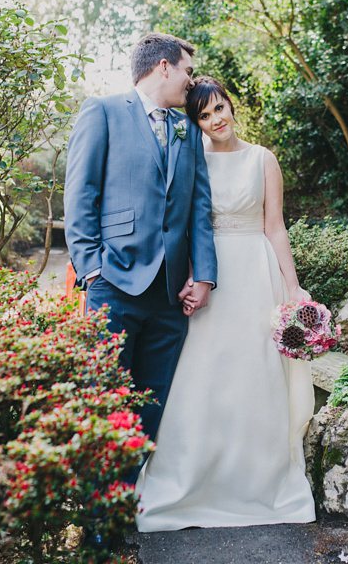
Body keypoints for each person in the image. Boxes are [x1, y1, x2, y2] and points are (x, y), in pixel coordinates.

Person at [135, 76, 316, 532]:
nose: (216, 120)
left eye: (220, 108)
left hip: (257, 273)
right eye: (204, 115)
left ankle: (259, 481)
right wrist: (194, 275)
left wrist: (292, 286)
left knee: (256, 372)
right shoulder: (192, 159)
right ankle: (192, 481)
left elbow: (275, 226)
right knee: (203, 374)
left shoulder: (262, 158)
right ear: (195, 122)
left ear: (231, 107)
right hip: (210, 276)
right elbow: (184, 223)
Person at [63, 33, 218, 453]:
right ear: (163, 66)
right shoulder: (104, 112)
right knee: (105, 400)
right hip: (114, 284)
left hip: (171, 297)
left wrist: (203, 276)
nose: (191, 81)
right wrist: (92, 270)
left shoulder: (188, 130)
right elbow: (80, 196)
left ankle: (127, 504)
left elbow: (198, 208)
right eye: (187, 71)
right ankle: (98, 513)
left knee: (150, 406)